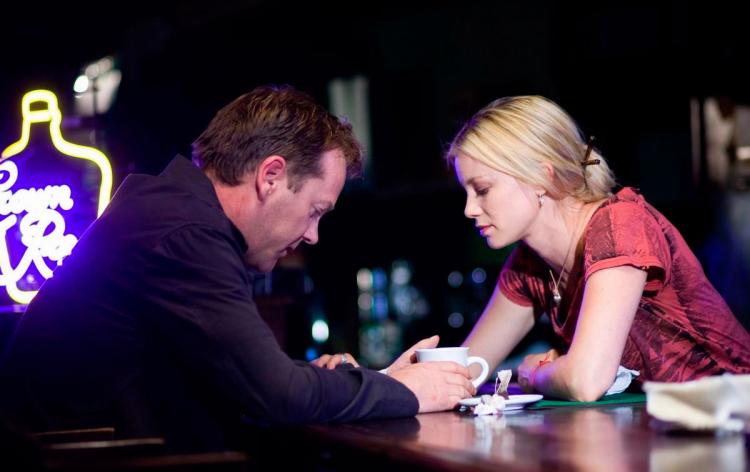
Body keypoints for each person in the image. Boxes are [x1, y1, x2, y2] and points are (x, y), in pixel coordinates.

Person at [0, 85, 474, 452]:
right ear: (271, 176)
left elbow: (246, 380)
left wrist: (352, 381)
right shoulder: (185, 232)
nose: (313, 236)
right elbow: (278, 395)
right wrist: (400, 390)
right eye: (315, 211)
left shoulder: (174, 212)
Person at [442, 95, 750, 402]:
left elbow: (586, 380)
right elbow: (466, 371)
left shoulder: (619, 225)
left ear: (541, 177)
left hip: (731, 414)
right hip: (661, 421)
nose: (469, 209)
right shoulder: (529, 265)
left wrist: (534, 374)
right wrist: (415, 375)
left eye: (482, 190)